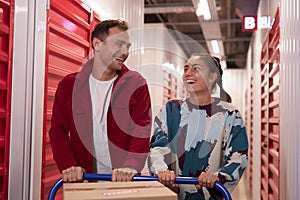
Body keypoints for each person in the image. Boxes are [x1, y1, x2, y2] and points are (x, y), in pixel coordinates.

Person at [49, 19, 152, 183]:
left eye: (127, 47)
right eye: (119, 44)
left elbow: (141, 130)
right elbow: (58, 130)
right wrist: (68, 165)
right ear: (97, 44)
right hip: (84, 180)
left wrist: (131, 166)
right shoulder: (69, 85)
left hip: (123, 180)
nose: (125, 52)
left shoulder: (135, 84)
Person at [148, 53, 248, 199]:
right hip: (174, 195)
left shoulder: (230, 114)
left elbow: (238, 157)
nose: (188, 73)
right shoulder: (171, 109)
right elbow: (157, 147)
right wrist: (161, 170)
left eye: (196, 69)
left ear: (212, 77)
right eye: (186, 69)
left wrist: (218, 177)